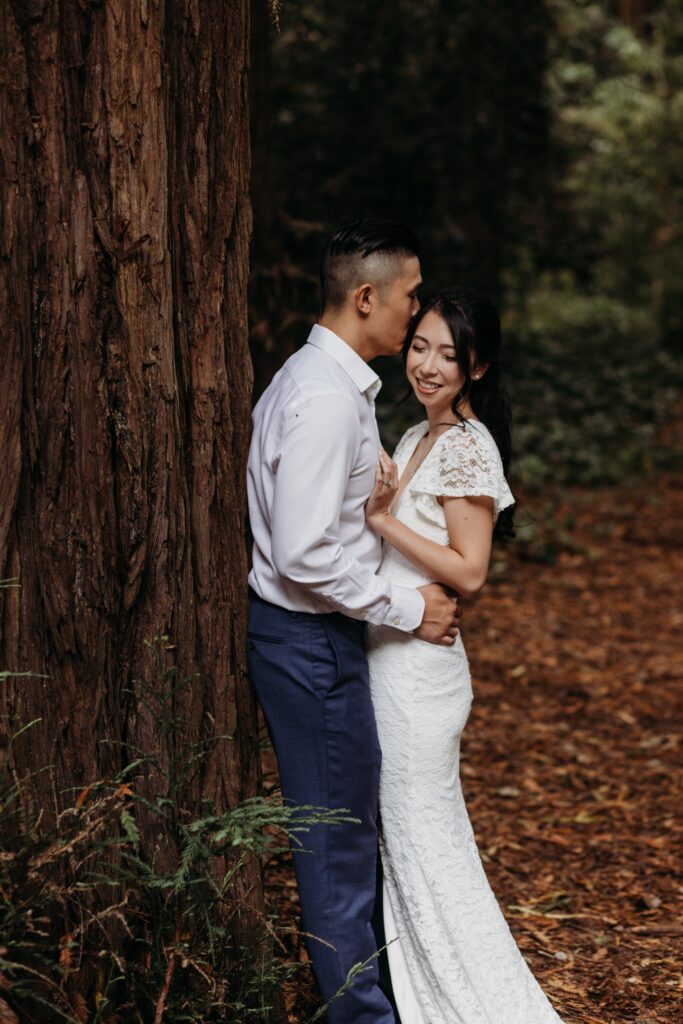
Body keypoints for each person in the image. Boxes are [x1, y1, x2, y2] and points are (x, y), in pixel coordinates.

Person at [246, 220, 460, 1024]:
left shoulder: (316, 384)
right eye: (410, 296)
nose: (416, 312)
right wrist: (408, 609)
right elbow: (304, 555)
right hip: (309, 645)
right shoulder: (327, 402)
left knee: (344, 843)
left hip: (311, 641)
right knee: (337, 855)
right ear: (366, 297)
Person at [364, 287, 565, 1023]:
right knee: (407, 848)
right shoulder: (417, 436)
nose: (426, 364)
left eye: (446, 355)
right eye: (418, 346)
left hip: (419, 677)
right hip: (391, 660)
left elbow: (470, 570)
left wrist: (381, 520)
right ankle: (417, 994)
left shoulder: (466, 446)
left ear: (475, 367)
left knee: (428, 845)